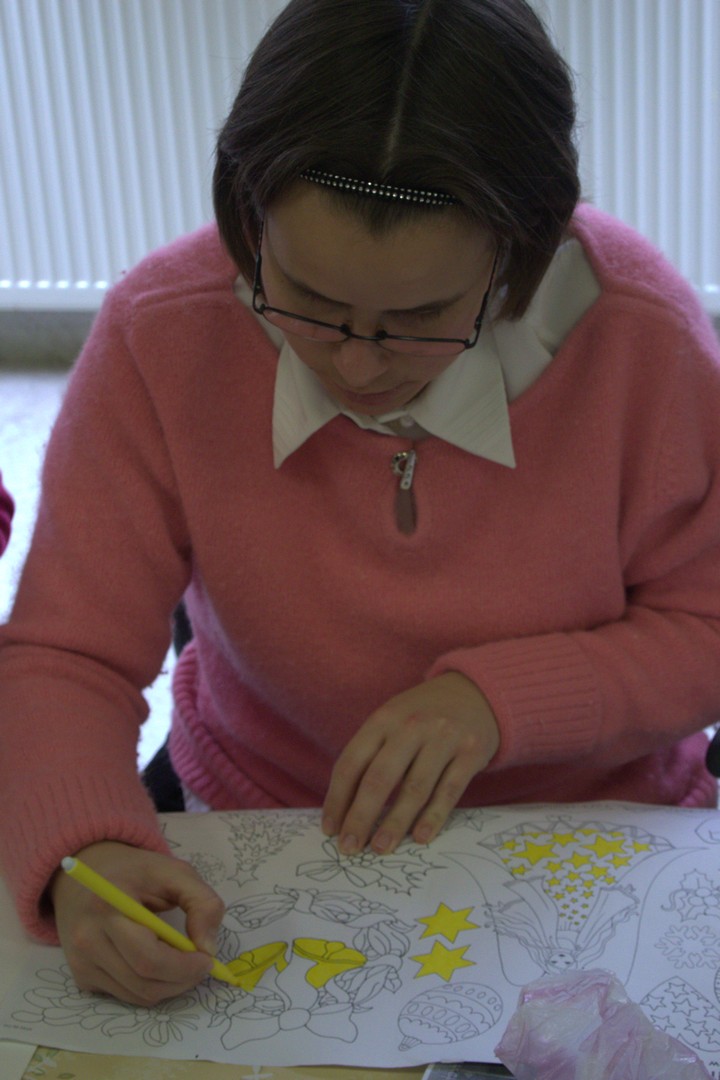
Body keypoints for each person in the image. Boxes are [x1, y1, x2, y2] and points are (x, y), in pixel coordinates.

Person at [1, 0, 719, 1009]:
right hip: (264, 821)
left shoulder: (645, 341)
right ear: (247, 219)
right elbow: (66, 654)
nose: (357, 365)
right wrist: (87, 854)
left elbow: (706, 626)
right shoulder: (162, 333)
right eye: (306, 298)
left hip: (596, 829)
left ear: (523, 252)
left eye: (420, 317)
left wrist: (500, 703)